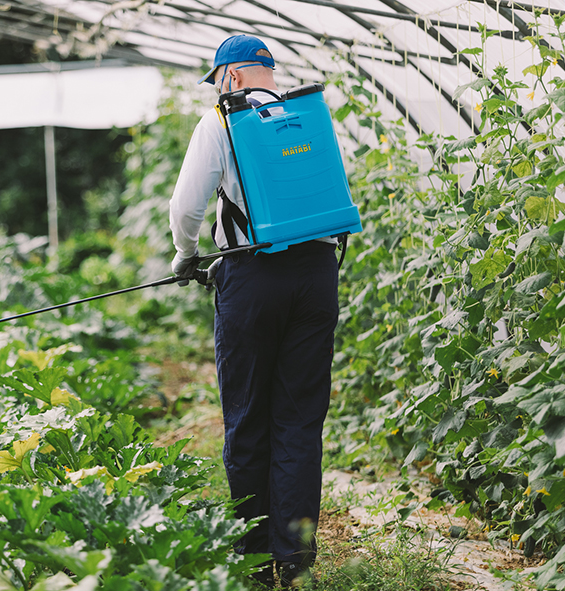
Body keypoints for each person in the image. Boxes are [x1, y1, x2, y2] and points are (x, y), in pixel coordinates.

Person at [168, 34, 339, 588]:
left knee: (247, 416)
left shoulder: (220, 121)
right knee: (298, 419)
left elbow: (187, 205)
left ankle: (253, 553)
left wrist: (187, 256)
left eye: (218, 79)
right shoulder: (305, 117)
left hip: (253, 276)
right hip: (316, 278)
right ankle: (295, 558)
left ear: (233, 77)